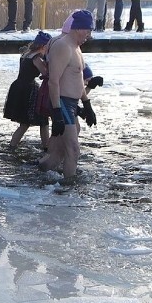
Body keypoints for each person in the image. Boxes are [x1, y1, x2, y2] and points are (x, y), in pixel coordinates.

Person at [38, 10, 96, 180]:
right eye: (88, 30)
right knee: (73, 149)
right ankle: (68, 189)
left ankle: (37, 174)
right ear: (78, 28)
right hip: (62, 103)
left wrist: (86, 104)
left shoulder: (76, 48)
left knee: (59, 153)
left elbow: (77, 79)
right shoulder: (63, 46)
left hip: (71, 104)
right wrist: (56, 112)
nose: (89, 35)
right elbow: (53, 81)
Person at [4, 31, 51, 149]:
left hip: (18, 86)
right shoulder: (36, 58)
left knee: (24, 124)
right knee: (43, 121)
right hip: (29, 90)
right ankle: (46, 147)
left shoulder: (26, 54)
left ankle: (12, 146)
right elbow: (46, 73)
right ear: (43, 47)